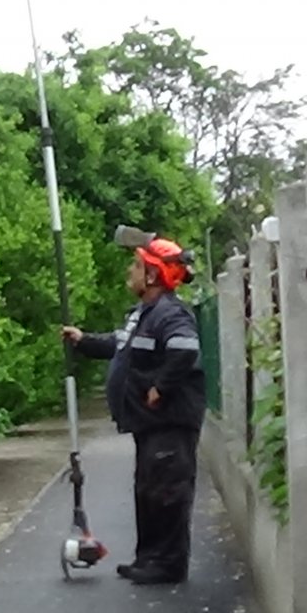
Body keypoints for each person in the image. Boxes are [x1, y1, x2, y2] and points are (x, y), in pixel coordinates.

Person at [61, 235, 207, 586]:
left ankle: (167, 565)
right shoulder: (144, 315)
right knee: (150, 491)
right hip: (150, 425)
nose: (131, 270)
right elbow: (119, 345)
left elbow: (185, 350)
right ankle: (149, 559)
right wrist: (83, 341)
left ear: (154, 276)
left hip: (169, 423)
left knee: (167, 493)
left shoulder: (170, 314)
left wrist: (160, 387)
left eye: (138, 266)